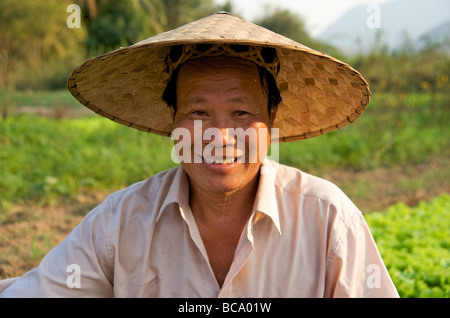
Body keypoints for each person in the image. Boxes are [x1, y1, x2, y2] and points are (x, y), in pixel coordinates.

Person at [0, 12, 398, 297]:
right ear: (174, 120)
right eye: (198, 113)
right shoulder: (119, 225)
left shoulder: (329, 221)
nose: (219, 136)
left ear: (271, 119)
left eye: (241, 113)